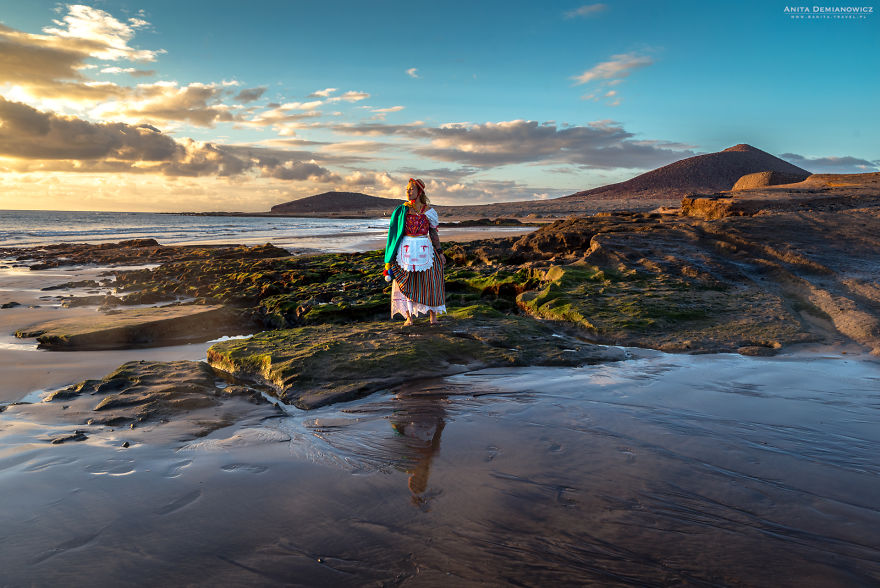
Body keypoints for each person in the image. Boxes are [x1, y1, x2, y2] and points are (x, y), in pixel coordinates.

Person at [383, 178, 447, 326]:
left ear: (419, 192)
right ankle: (409, 318)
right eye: (407, 189)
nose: (408, 191)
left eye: (411, 189)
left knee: (432, 281)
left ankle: (433, 317)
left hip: (425, 249)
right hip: (405, 251)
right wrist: (391, 256)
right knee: (404, 282)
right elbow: (394, 232)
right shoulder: (402, 210)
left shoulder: (429, 211)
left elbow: (434, 234)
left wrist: (440, 252)